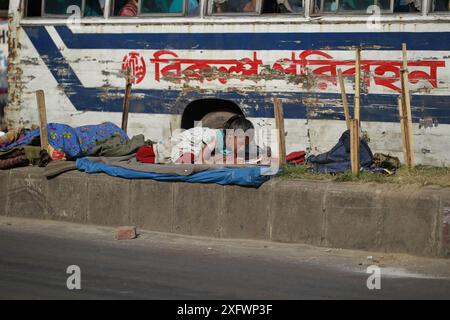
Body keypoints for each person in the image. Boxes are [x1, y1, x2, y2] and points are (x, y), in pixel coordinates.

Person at [136, 115, 269, 165]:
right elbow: (202, 159)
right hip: (182, 144)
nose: (242, 147)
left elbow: (254, 151)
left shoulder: (240, 142)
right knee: (148, 153)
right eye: (240, 144)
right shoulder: (214, 137)